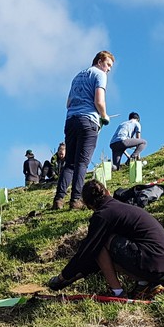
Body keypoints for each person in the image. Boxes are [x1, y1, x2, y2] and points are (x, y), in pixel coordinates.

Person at [46, 180, 164, 299]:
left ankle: (118, 293)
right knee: (105, 249)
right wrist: (71, 278)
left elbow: (87, 252)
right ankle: (145, 284)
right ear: (108, 192)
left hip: (152, 262)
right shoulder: (122, 208)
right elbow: (96, 263)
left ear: (89, 205)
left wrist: (62, 277)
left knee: (100, 244)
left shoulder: (103, 215)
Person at [53, 51, 114, 210]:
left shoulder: (78, 76)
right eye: (108, 65)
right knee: (82, 163)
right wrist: (105, 116)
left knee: (69, 163)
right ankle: (76, 200)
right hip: (88, 121)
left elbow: (68, 102)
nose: (108, 69)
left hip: (71, 120)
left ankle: (58, 199)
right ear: (100, 61)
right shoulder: (100, 75)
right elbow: (99, 100)